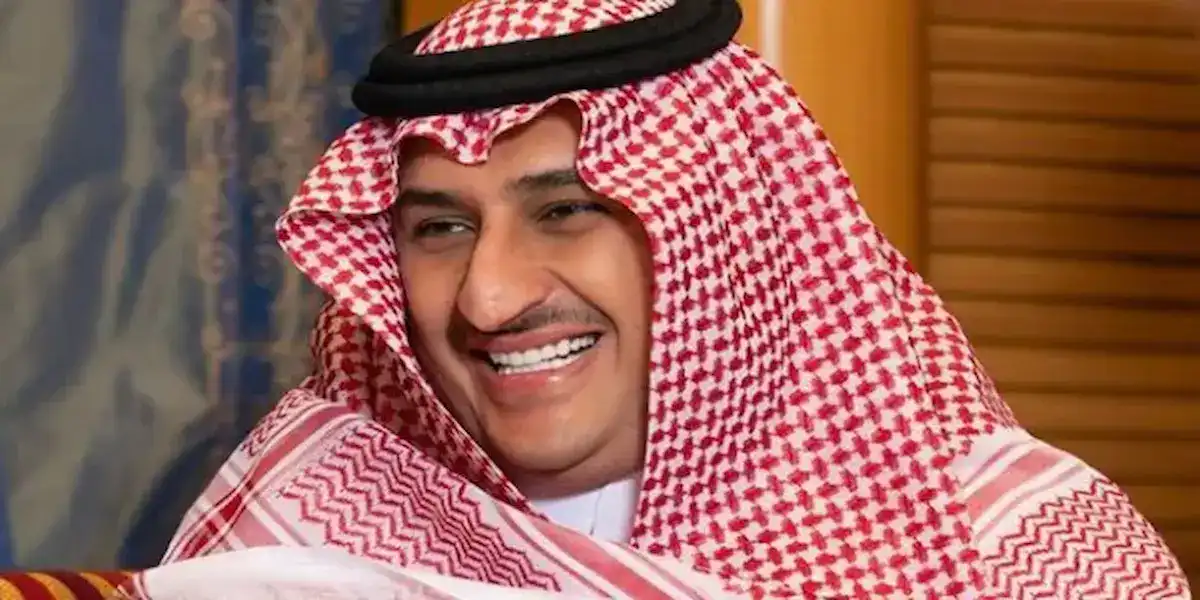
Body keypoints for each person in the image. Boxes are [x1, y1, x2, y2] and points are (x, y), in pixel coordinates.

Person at [130, 0, 1191, 597]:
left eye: (566, 210)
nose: (488, 298)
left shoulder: (1025, 561)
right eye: (441, 229)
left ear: (727, 235)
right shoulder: (298, 544)